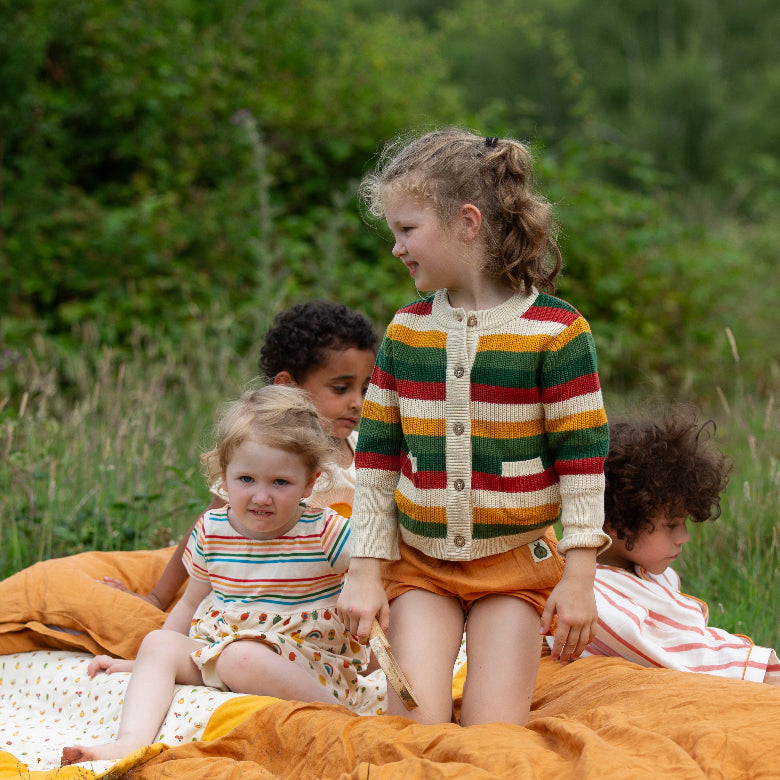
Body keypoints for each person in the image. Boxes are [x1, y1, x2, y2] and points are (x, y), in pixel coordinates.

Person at [337, 128, 611, 727]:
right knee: (414, 730)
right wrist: (364, 571)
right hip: (421, 567)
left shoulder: (556, 333)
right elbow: (377, 461)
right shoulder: (407, 331)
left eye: (408, 231)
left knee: (492, 738)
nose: (397, 248)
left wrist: (579, 578)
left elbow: (583, 466)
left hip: (513, 564)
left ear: (467, 222)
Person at [62, 385, 380, 766]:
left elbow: (376, 578)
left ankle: (342, 721)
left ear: (309, 483)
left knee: (239, 658)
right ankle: (128, 742)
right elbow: (192, 601)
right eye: (247, 479)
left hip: (305, 663)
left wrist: (377, 652)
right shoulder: (212, 529)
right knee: (159, 643)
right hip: (221, 649)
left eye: (280, 483)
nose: (262, 496)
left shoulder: (325, 531)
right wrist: (148, 661)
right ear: (223, 476)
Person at [102, 301, 379, 610]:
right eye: (341, 388)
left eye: (365, 389)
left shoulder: (368, 452)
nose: (357, 402)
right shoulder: (263, 455)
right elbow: (209, 529)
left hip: (340, 602)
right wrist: (157, 598)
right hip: (264, 599)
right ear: (287, 386)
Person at [584, 409, 780, 685]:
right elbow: (665, 650)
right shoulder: (591, 594)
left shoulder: (656, 574)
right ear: (621, 523)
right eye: (672, 525)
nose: (684, 537)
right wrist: (759, 668)